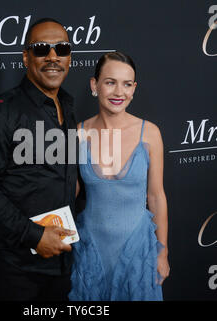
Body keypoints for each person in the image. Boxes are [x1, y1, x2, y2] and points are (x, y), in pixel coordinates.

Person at [0, 18, 78, 301]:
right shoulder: (0, 114)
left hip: (60, 267)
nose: (52, 56)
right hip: (14, 271)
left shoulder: (68, 107)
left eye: (61, 49)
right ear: (26, 57)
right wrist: (34, 236)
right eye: (41, 49)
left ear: (69, 58)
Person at [69, 52, 170, 301]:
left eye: (127, 84)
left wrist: (163, 253)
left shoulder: (150, 134)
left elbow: (156, 197)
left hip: (138, 251)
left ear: (134, 89)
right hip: (91, 250)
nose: (119, 92)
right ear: (95, 85)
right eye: (110, 82)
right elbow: (67, 193)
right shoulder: (78, 133)